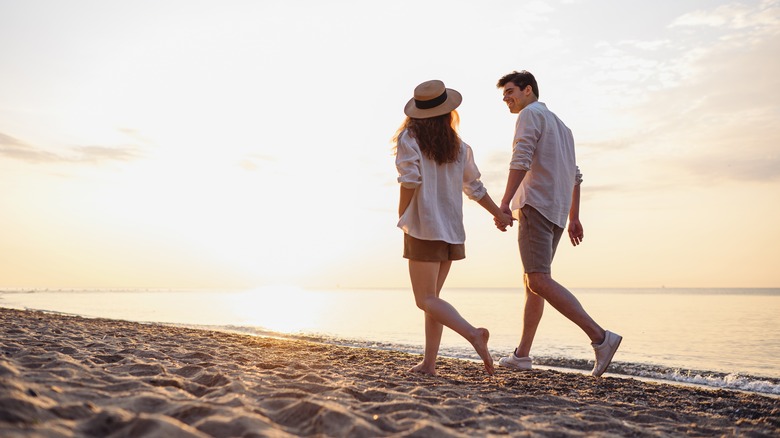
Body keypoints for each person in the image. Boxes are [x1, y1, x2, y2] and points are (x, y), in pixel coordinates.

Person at [494, 70, 621, 377]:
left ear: (528, 90)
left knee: (537, 280)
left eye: (510, 91)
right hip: (556, 212)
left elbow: (520, 159)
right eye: (503, 96)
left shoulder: (529, 115)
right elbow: (575, 175)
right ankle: (522, 355)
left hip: (536, 206)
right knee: (533, 284)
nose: (506, 99)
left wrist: (505, 202)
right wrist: (574, 216)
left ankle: (600, 337)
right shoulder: (563, 128)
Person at [394, 79, 512, 376]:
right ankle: (430, 363)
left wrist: (402, 212)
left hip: (424, 226)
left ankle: (474, 334)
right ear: (447, 113)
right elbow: (474, 187)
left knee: (426, 300)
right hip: (451, 231)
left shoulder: (410, 138)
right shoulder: (459, 146)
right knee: (433, 300)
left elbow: (409, 180)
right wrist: (497, 212)